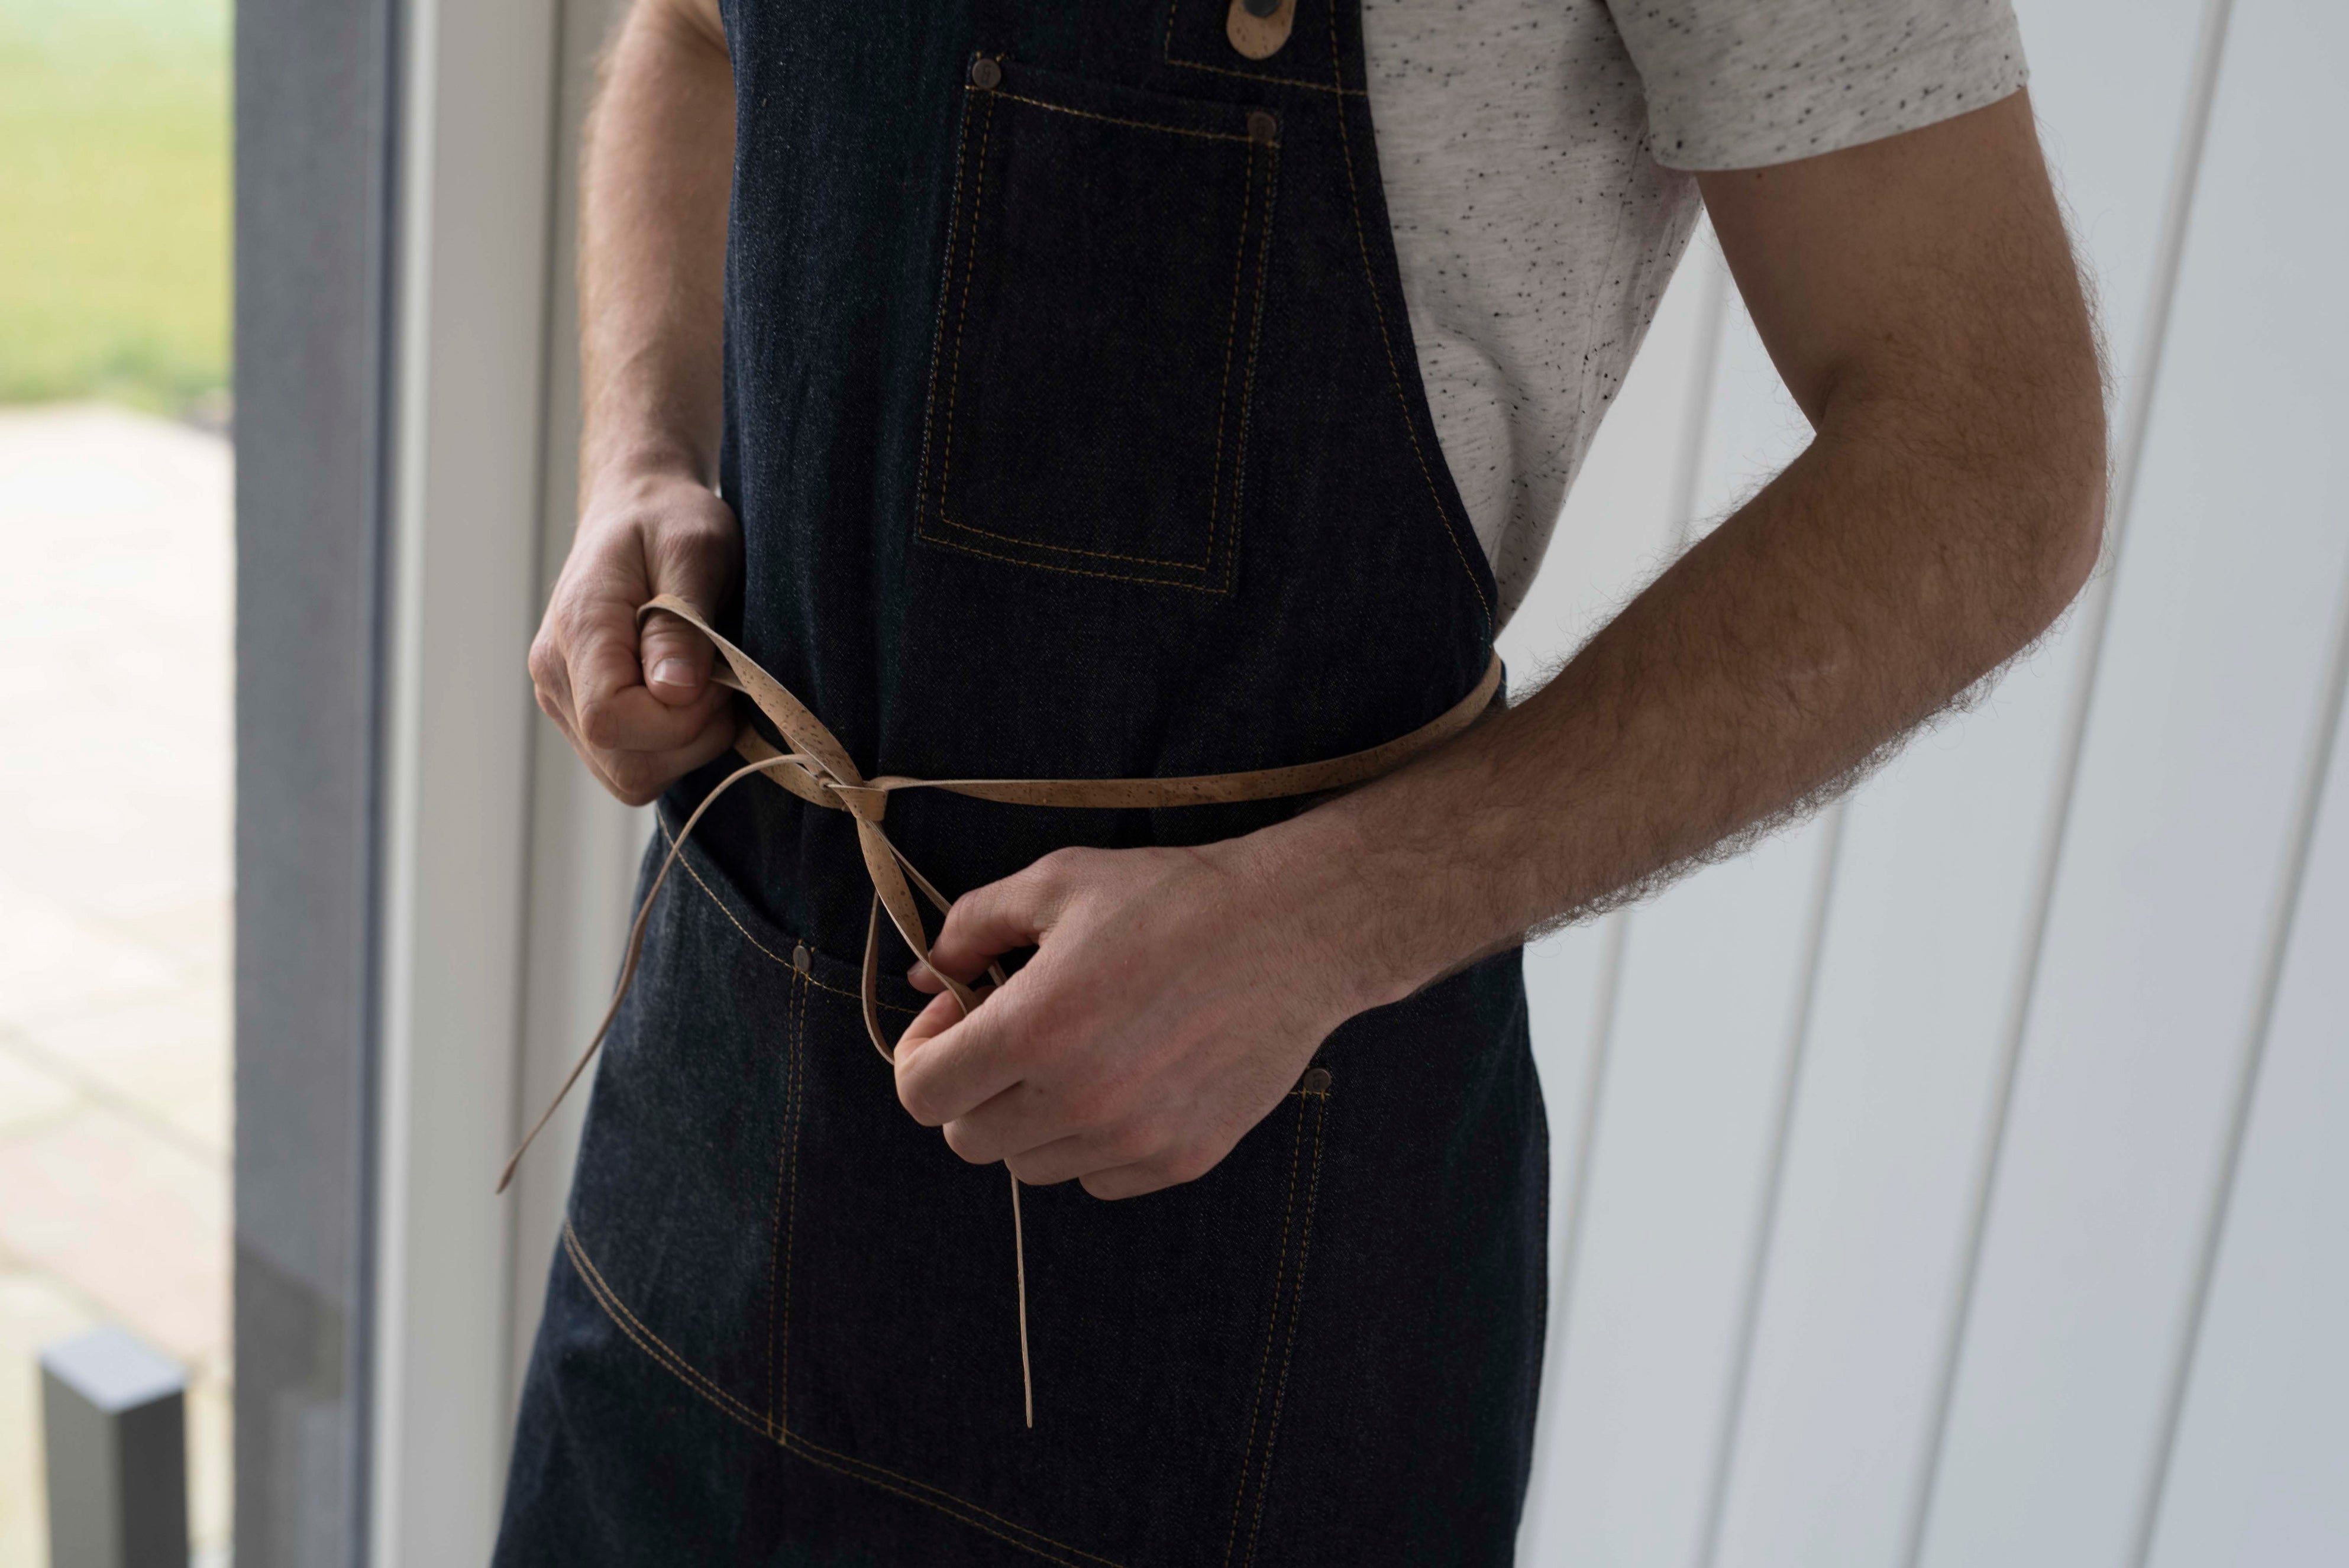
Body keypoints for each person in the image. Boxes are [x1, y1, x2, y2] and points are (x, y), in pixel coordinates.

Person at [499, 0, 2103, 1561]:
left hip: (1236, 1263)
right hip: (709, 1167)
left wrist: (1318, 922)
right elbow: (696, 36)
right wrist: (639, 452)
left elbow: (1987, 453)